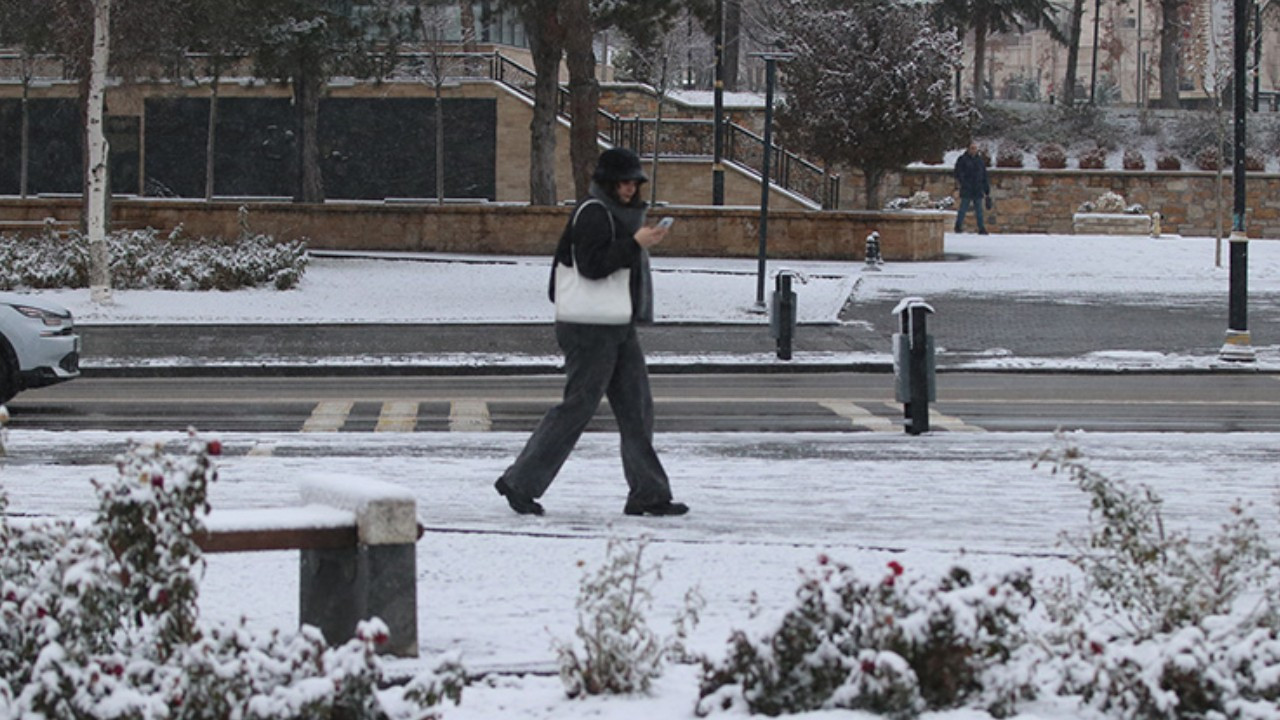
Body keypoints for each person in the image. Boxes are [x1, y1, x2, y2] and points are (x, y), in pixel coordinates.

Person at [494, 147, 689, 517]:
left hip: (616, 322)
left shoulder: (619, 215)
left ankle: (648, 494)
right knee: (578, 407)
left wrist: (636, 241)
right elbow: (592, 267)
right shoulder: (594, 212)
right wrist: (634, 244)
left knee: (637, 409)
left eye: (634, 182)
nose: (630, 189)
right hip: (588, 327)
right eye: (623, 182)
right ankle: (519, 482)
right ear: (607, 183)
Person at [953, 142, 990, 235]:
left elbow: (984, 176)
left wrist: (986, 189)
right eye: (972, 148)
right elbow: (958, 172)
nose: (973, 150)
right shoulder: (963, 159)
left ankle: (981, 228)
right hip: (967, 187)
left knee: (979, 210)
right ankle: (958, 226)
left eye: (975, 148)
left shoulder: (980, 161)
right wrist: (964, 182)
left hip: (977, 188)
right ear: (968, 149)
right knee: (963, 208)